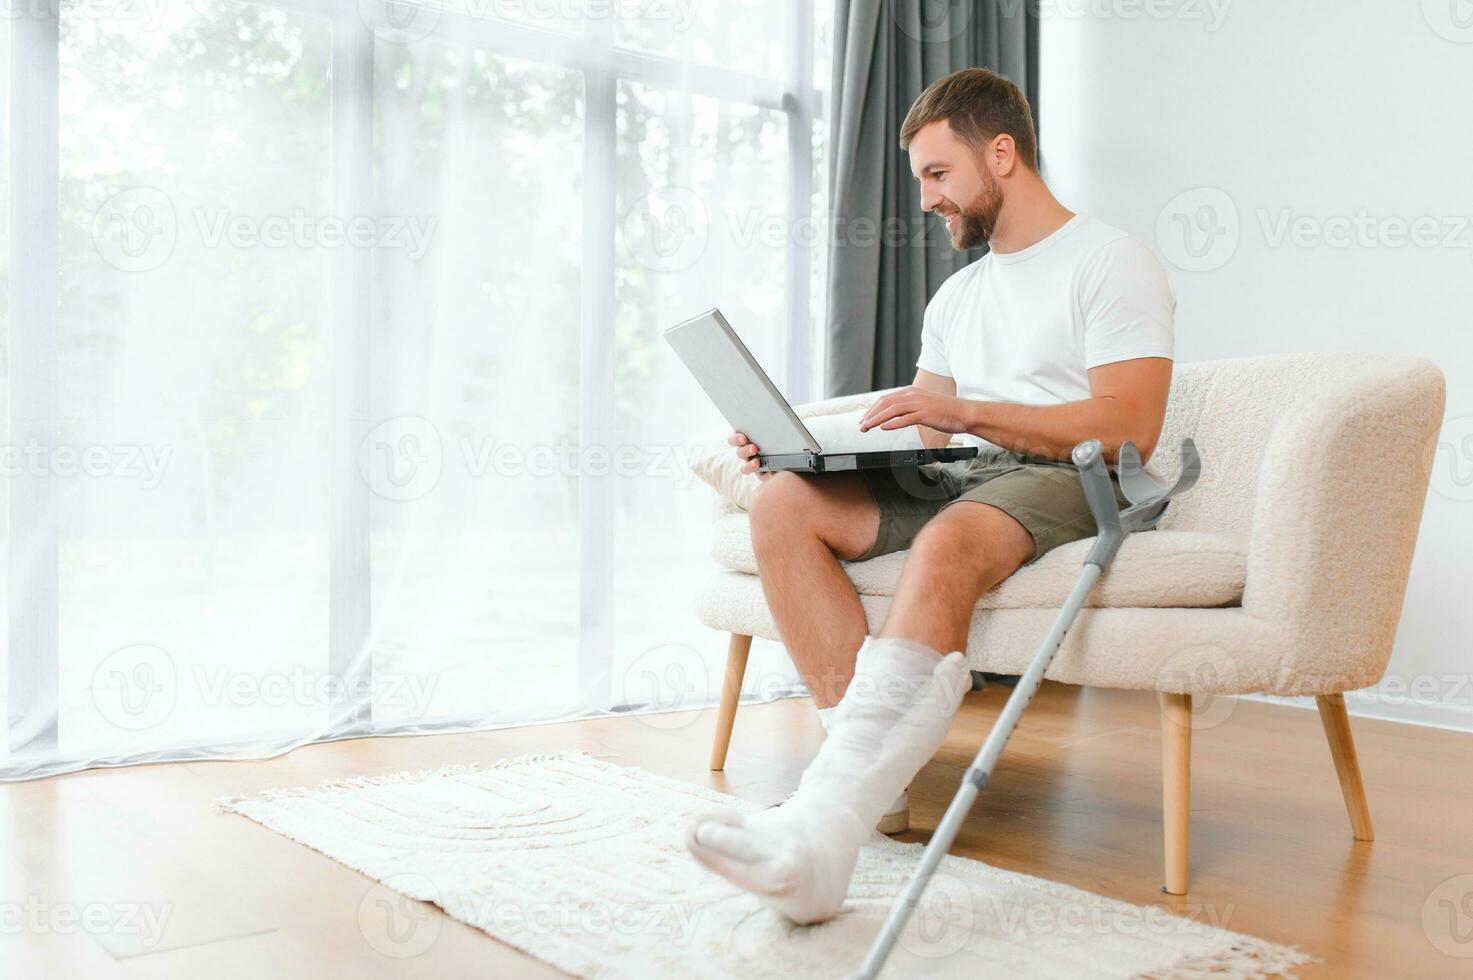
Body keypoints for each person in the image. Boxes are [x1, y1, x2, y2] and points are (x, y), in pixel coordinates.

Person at [685, 67, 1175, 924]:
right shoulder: (959, 294)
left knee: (950, 537)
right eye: (920, 181)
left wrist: (968, 410)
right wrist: (801, 453)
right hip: (966, 472)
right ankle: (852, 806)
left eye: (937, 175)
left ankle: (820, 827)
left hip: (1076, 474)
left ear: (1001, 153)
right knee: (781, 506)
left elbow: (1130, 427)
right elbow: (923, 437)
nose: (926, 200)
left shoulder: (1110, 261)